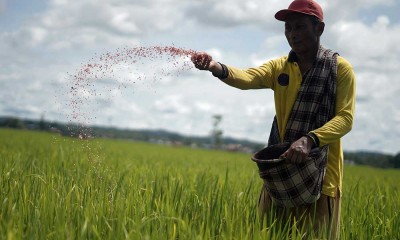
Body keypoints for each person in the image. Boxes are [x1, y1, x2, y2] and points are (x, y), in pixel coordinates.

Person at [191, 0, 356, 238]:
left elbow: (345, 118)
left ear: (319, 29)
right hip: (281, 169)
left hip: (322, 175)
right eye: (288, 28)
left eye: (299, 27)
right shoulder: (280, 67)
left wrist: (310, 140)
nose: (292, 35)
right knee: (269, 233)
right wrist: (215, 66)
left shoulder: (340, 69)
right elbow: (248, 77)